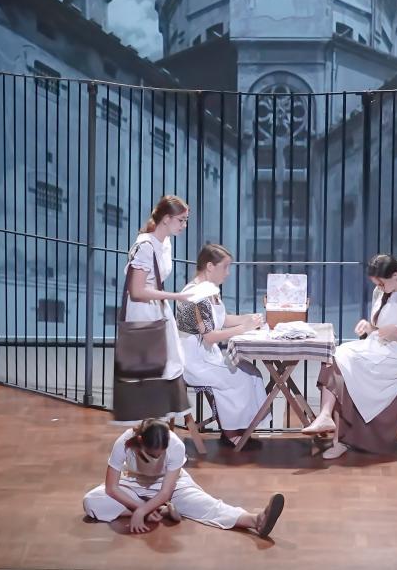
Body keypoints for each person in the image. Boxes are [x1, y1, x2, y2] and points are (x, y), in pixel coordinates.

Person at [300, 254, 397, 460]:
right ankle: (328, 421)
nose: (379, 287)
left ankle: (336, 433)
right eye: (376, 284)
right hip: (376, 348)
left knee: (342, 361)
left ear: (395, 276)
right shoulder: (380, 291)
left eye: (381, 283)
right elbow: (380, 329)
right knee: (335, 355)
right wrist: (369, 327)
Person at [82, 418, 285, 537]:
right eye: (152, 454)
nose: (157, 457)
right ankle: (161, 511)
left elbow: (165, 492)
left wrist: (142, 510)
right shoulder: (124, 442)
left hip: (170, 484)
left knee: (206, 505)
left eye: (161, 453)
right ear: (141, 440)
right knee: (92, 501)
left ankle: (255, 520)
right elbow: (111, 488)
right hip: (132, 482)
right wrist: (140, 509)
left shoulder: (175, 445)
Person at [113, 196, 195, 424]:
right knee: (149, 372)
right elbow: (137, 291)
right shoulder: (145, 247)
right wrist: (176, 296)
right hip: (143, 314)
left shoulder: (165, 243)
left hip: (157, 310)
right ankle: (148, 427)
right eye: (181, 220)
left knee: (165, 367)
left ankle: (161, 424)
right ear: (166, 219)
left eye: (185, 220)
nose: (184, 225)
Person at [176, 244, 268, 448]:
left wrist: (248, 319)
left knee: (253, 373)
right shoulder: (195, 296)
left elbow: (222, 319)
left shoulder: (209, 291)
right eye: (225, 267)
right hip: (195, 362)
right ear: (210, 266)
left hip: (209, 356)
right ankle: (231, 432)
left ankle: (242, 428)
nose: (228, 273)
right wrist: (243, 328)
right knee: (241, 378)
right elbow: (209, 336)